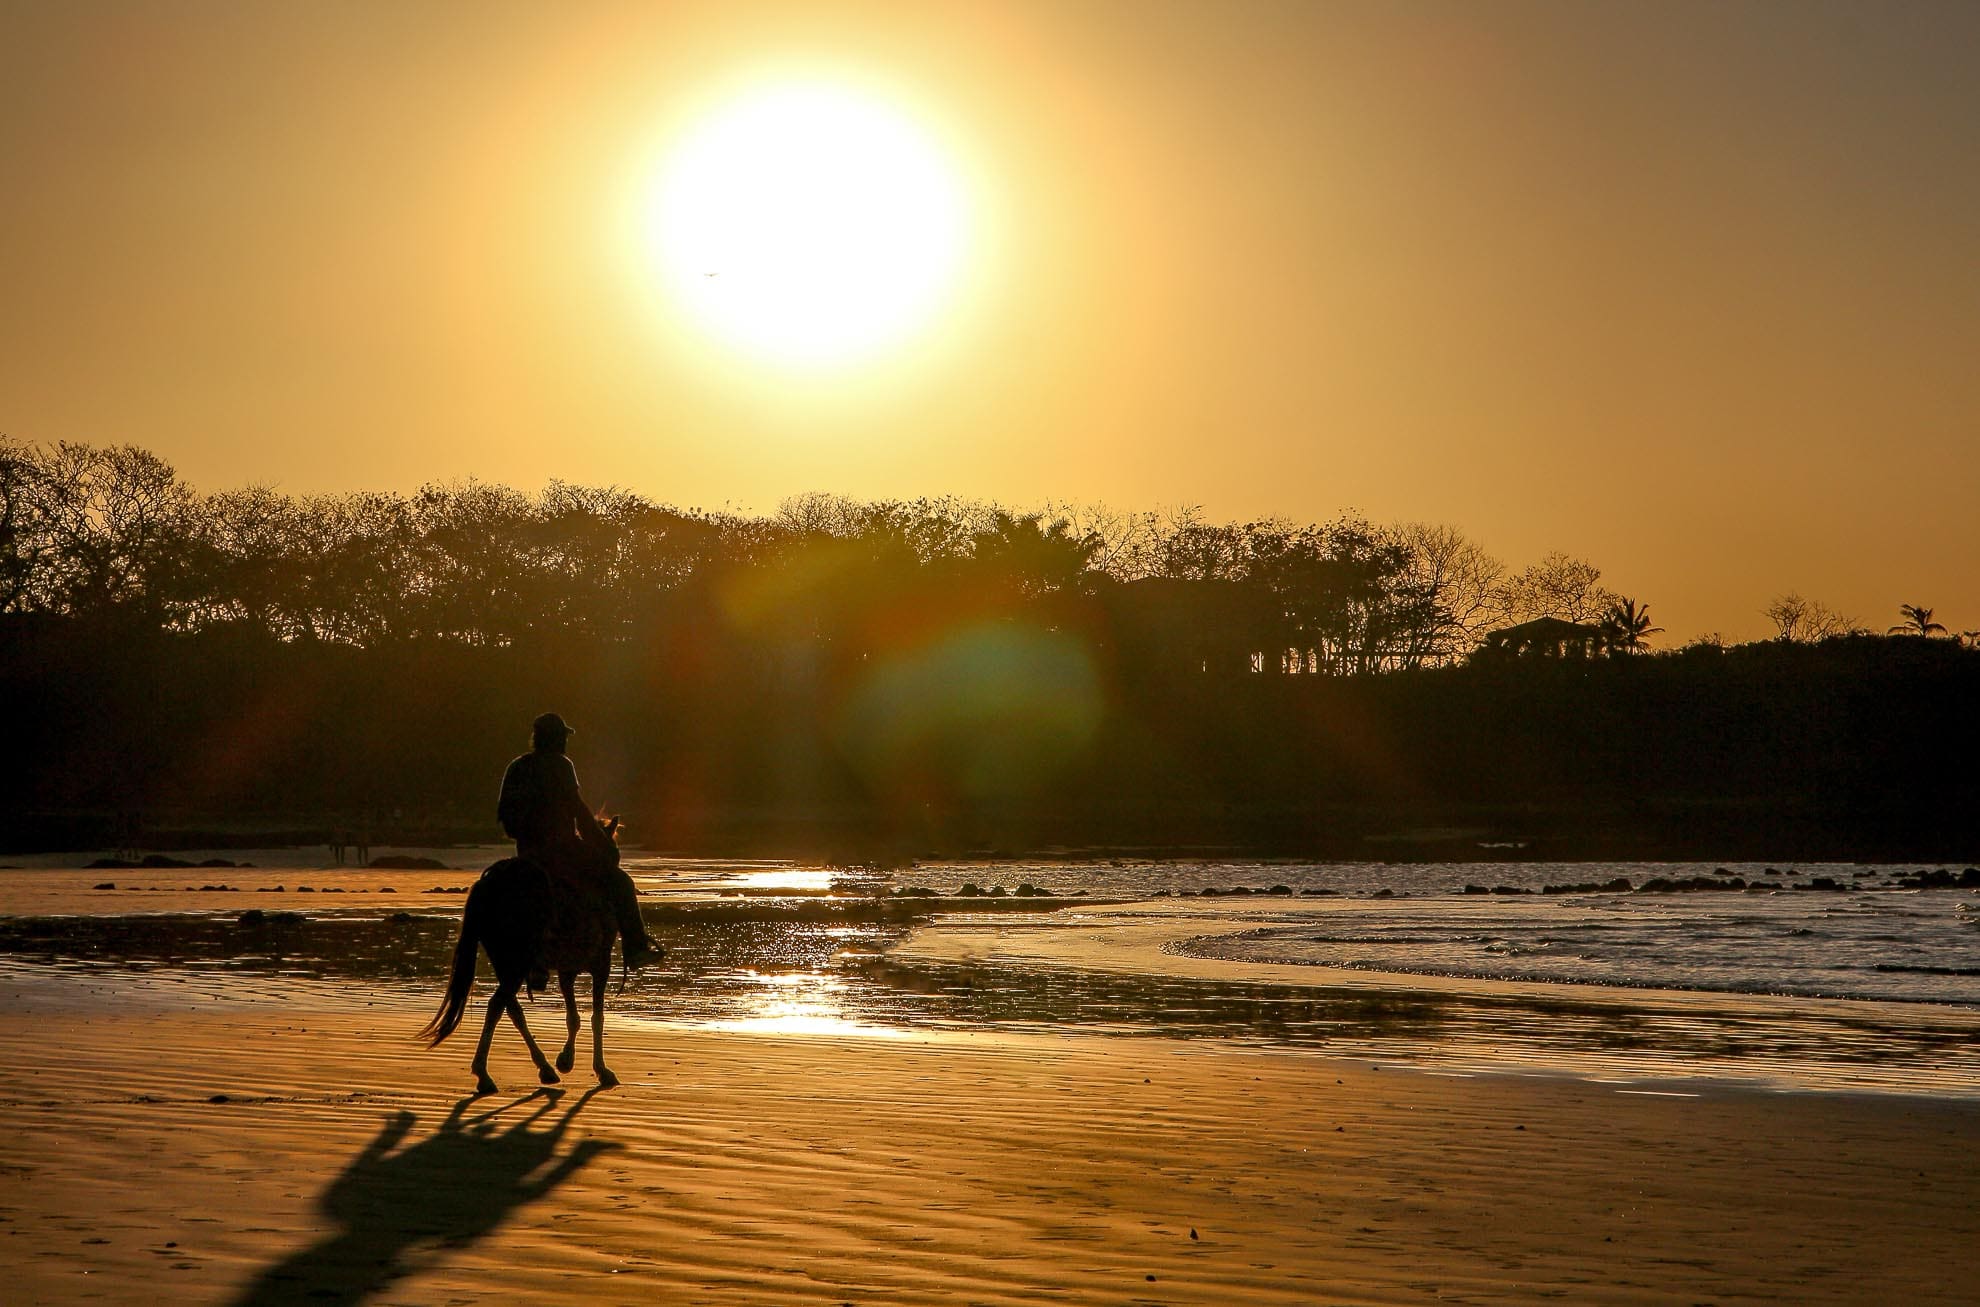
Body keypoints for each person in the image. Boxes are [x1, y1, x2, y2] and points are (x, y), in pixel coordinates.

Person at [497, 712, 657, 968]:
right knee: (622, 882)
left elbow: (505, 820)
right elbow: (580, 812)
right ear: (556, 739)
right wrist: (604, 846)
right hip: (563, 850)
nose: (565, 743)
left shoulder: (516, 767)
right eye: (563, 737)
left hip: (526, 853)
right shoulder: (561, 765)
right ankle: (635, 947)